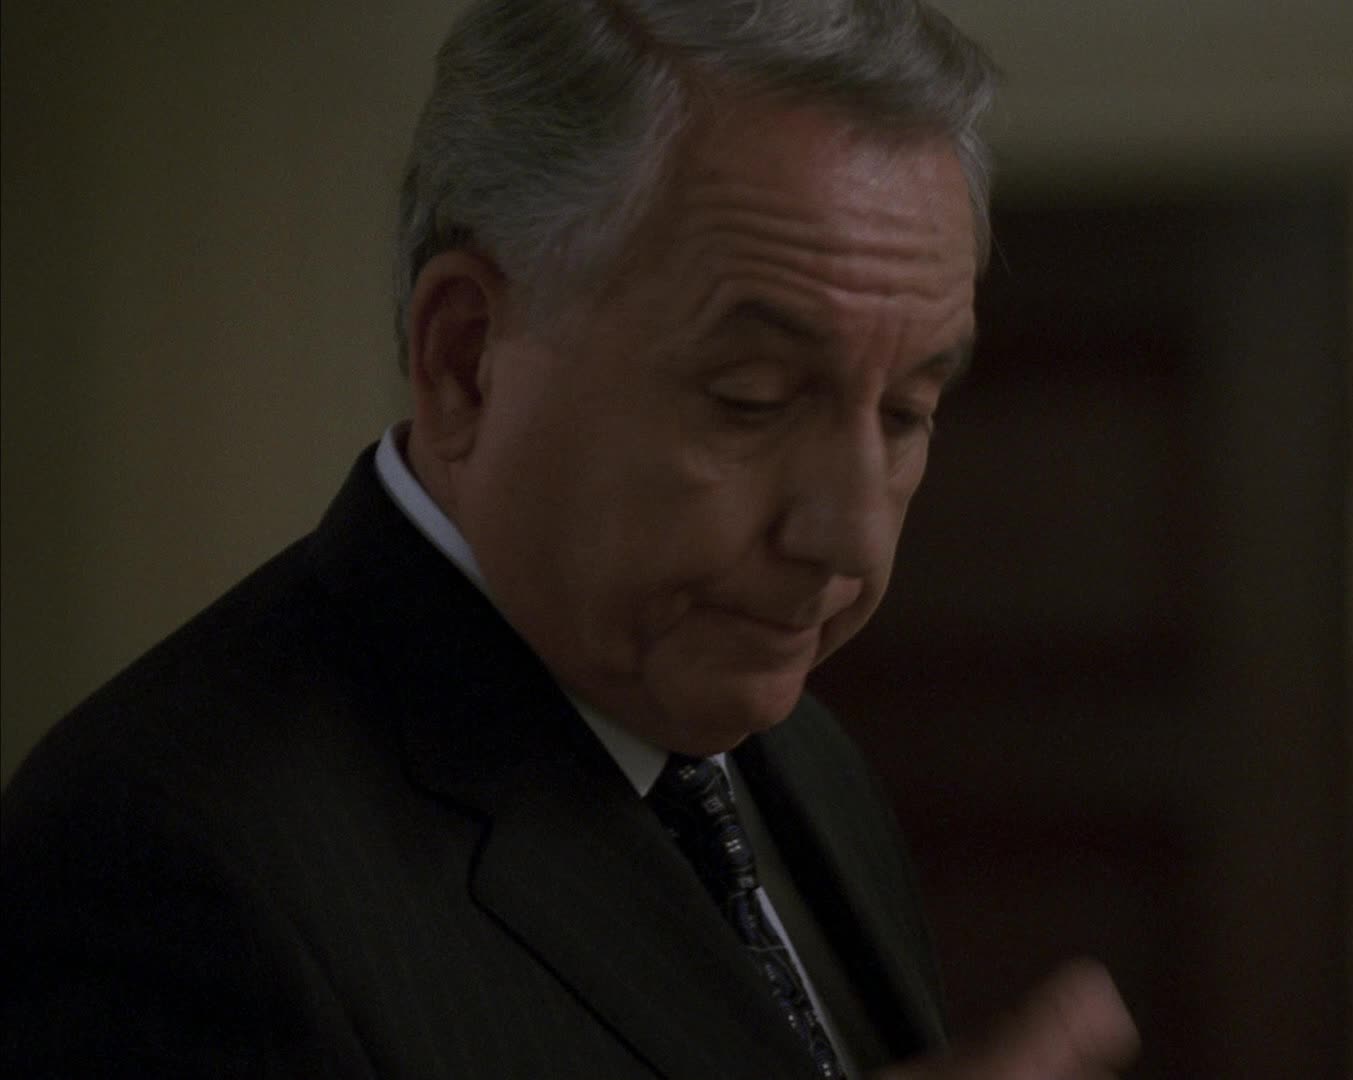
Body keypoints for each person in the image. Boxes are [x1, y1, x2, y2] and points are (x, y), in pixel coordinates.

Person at [0, 1, 1138, 1076]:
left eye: (905, 414)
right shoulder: (159, 859)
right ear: (465, 361)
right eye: (750, 398)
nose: (848, 534)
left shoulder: (800, 756)